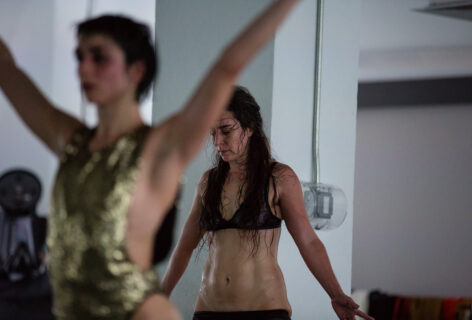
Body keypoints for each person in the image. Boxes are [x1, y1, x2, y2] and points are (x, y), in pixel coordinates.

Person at [0, 1, 299, 319]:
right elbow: (7, 70)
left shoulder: (160, 148)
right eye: (80, 56)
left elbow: (227, 65)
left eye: (99, 57)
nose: (83, 68)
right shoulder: (71, 142)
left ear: (137, 69)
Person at [161, 87, 375, 320]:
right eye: (213, 133)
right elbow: (184, 247)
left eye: (226, 130)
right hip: (209, 311)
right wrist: (159, 298)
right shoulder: (207, 183)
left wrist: (336, 294)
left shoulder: (279, 178)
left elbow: (309, 241)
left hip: (265, 312)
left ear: (250, 128)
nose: (217, 142)